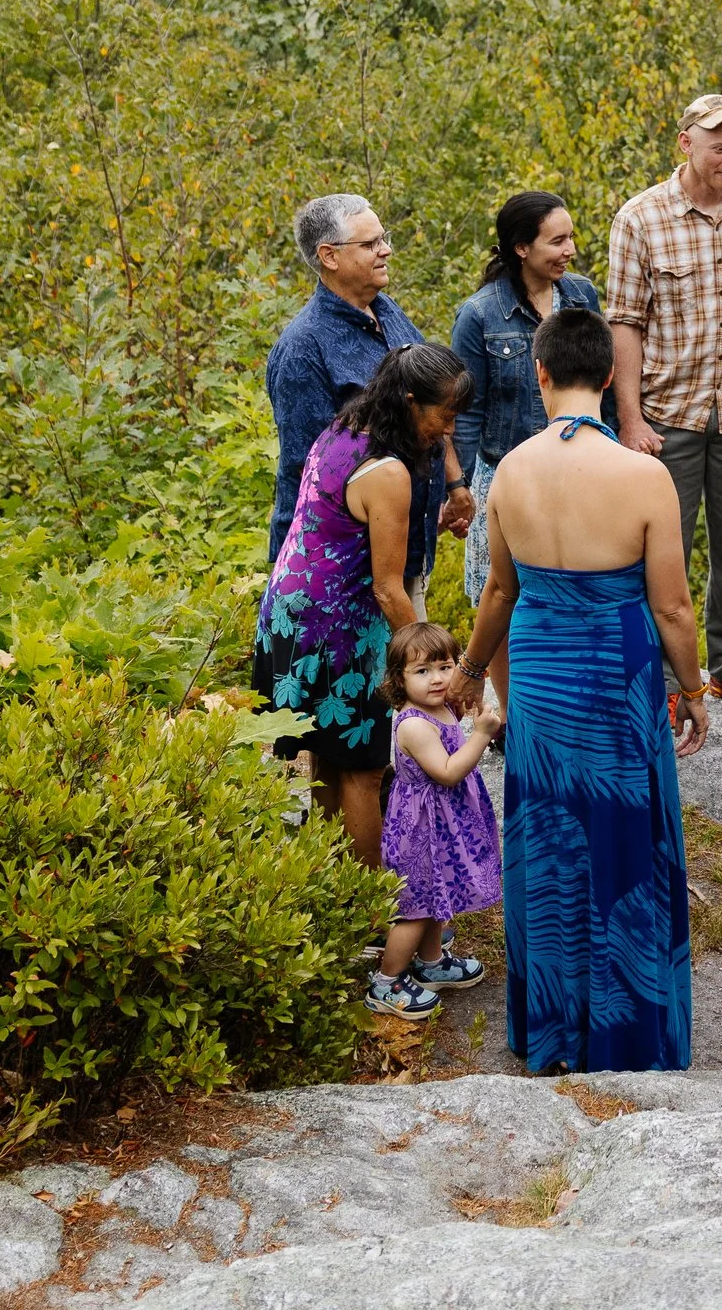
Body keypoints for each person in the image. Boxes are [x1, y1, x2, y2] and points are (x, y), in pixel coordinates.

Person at [452, 305, 706, 1074]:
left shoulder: (509, 473)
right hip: (614, 669)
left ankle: (553, 1033)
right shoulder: (643, 475)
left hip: (537, 667)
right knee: (624, 835)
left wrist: (469, 673)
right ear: (608, 377)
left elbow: (497, 592)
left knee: (549, 837)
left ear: (539, 374)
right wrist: (692, 688)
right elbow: (670, 605)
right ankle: (628, 1033)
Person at [604, 95, 722, 717]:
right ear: (685, 143)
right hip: (667, 416)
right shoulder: (639, 219)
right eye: (720, 147)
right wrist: (630, 418)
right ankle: (662, 675)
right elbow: (625, 323)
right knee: (660, 552)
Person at [256, 342, 473, 871]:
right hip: (336, 633)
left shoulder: (343, 430)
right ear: (408, 400)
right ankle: (375, 912)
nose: (447, 431)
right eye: (443, 415)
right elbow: (388, 589)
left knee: (330, 758)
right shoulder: (388, 471)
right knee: (365, 769)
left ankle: (334, 892)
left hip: (289, 618)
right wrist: (436, 663)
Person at [266, 194, 473, 602]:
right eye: (371, 244)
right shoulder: (303, 348)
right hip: (346, 571)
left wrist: (454, 484)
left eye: (384, 238)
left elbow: (430, 404)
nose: (386, 250)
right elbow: (307, 471)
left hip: (406, 551)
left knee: (410, 663)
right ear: (329, 256)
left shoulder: (387, 311)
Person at [450, 190, 610, 703]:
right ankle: (514, 710)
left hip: (579, 465)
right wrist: (457, 488)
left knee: (575, 583)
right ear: (521, 248)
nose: (570, 250)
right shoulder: (479, 315)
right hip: (505, 472)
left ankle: (569, 696)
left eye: (571, 237)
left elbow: (595, 380)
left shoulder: (582, 297)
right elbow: (466, 410)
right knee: (499, 592)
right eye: (556, 240)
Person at [367, 621, 502, 1022]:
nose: (437, 679)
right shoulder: (413, 724)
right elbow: (446, 771)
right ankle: (386, 982)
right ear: (398, 678)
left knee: (433, 899)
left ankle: (430, 963)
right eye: (422, 672)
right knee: (414, 908)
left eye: (444, 666)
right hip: (419, 831)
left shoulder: (438, 708)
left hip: (438, 826)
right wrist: (480, 735)